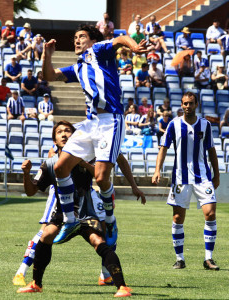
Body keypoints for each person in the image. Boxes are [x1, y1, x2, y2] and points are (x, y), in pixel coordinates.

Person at [42, 24, 149, 242]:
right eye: (74, 37)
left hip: (111, 120)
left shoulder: (98, 50)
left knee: (100, 178)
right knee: (60, 167)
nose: (76, 40)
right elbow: (49, 75)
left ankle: (109, 221)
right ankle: (71, 220)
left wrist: (135, 47)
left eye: (81, 36)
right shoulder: (77, 68)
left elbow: (121, 39)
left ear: (92, 40)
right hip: (91, 123)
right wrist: (46, 54)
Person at [16, 120, 145, 296]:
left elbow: (104, 172)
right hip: (62, 213)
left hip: (86, 213)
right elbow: (31, 191)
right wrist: (25, 174)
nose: (64, 134)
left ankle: (122, 286)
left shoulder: (88, 156)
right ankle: (36, 283)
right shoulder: (50, 164)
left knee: (99, 242)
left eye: (68, 131)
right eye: (59, 132)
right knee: (45, 235)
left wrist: (84, 164)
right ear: (54, 139)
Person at [152, 91, 220, 271]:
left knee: (210, 214)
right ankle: (180, 259)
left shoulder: (205, 125)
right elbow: (163, 148)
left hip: (203, 177)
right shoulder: (174, 125)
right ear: (181, 105)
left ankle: (208, 258)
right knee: (177, 218)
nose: (187, 106)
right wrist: (157, 170)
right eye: (184, 103)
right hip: (181, 178)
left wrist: (217, 175)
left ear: (196, 104)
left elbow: (212, 150)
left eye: (190, 103)